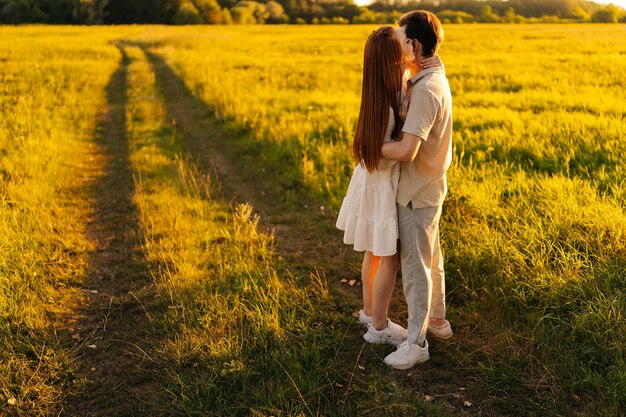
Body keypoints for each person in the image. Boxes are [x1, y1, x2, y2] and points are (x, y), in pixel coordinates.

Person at [336, 26, 438, 347]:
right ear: (395, 59)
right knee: (388, 257)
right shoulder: (392, 98)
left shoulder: (378, 91)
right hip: (380, 185)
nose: (409, 44)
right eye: (402, 43)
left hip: (369, 182)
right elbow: (397, 149)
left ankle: (369, 312)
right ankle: (379, 326)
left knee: (374, 252)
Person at [379, 11, 454, 370]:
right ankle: (437, 322)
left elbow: (407, 150)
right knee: (432, 261)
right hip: (430, 185)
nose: (397, 47)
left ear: (415, 44)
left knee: (415, 270)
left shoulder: (426, 90)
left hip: (415, 191)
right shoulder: (432, 76)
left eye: (401, 41)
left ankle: (416, 342)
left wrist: (369, 147)